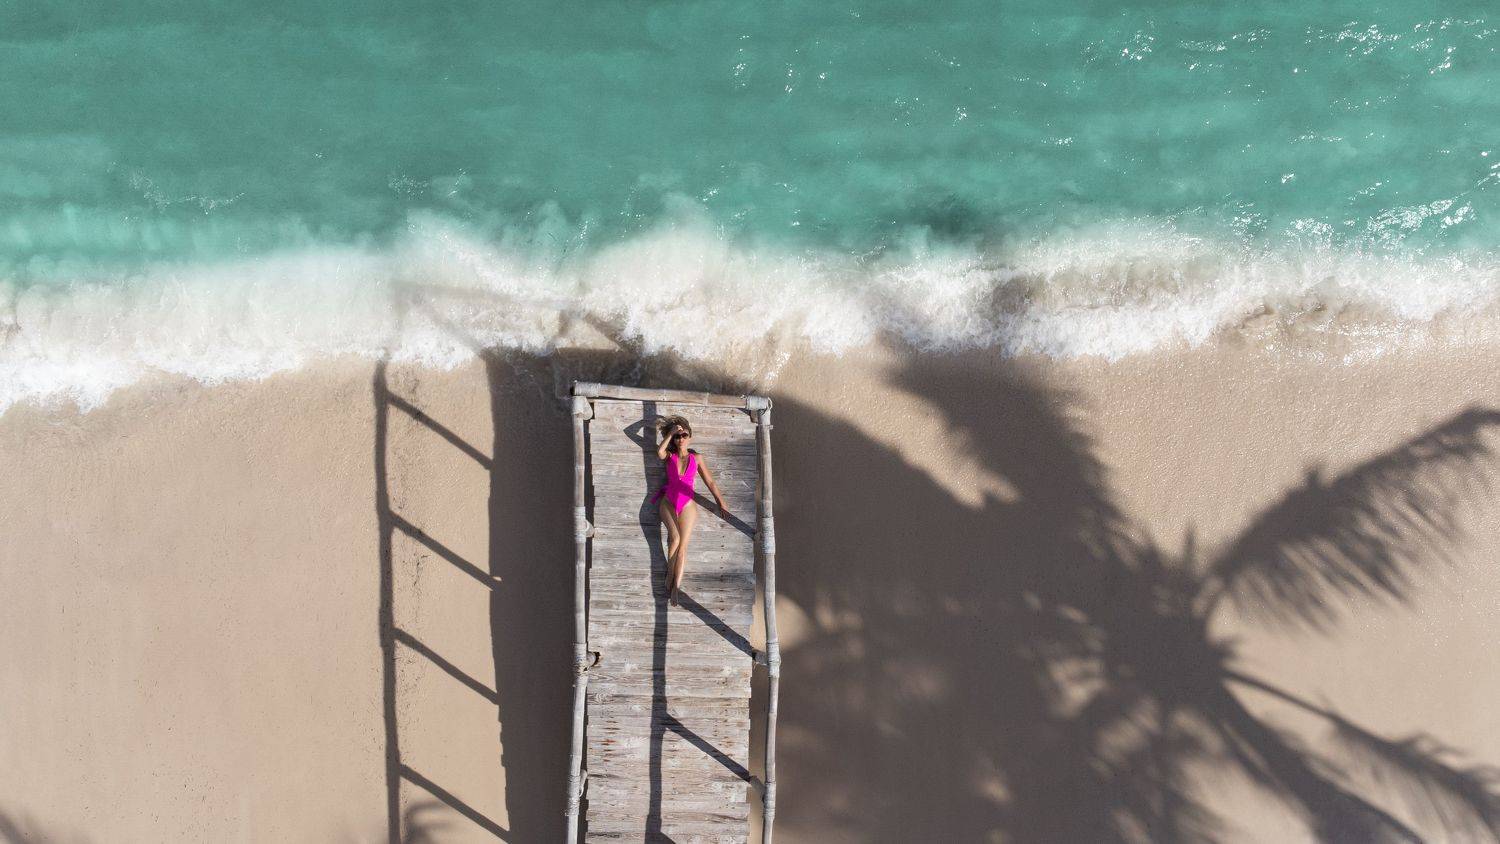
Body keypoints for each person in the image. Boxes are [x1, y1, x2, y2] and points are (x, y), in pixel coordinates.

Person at [652, 415, 730, 606]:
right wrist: (670, 433)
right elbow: (659, 451)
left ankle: (676, 588)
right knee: (674, 539)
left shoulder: (697, 458)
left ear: (690, 437)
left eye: (684, 435)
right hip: (668, 502)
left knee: (682, 547)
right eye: (677, 436)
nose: (681, 439)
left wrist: (720, 501)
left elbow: (710, 481)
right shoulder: (669, 457)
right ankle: (670, 573)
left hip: (687, 504)